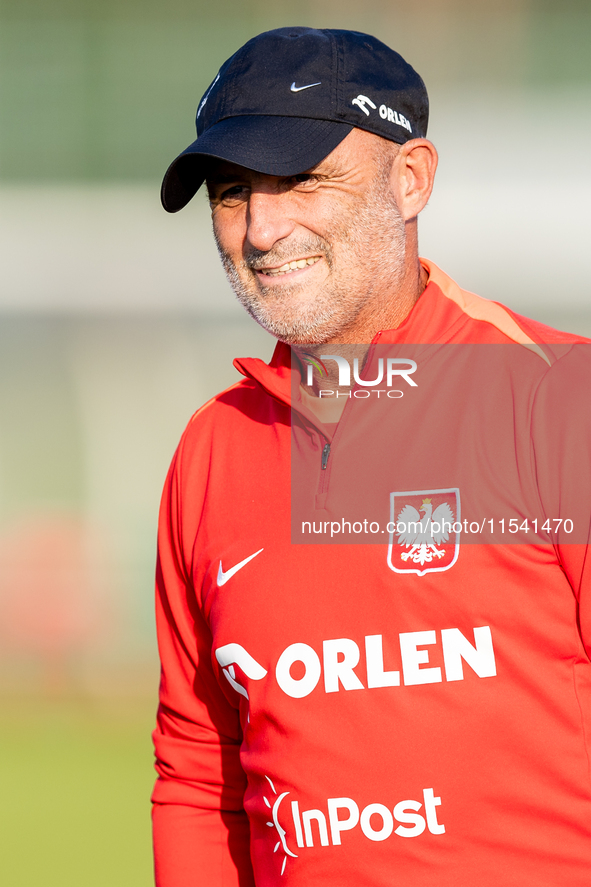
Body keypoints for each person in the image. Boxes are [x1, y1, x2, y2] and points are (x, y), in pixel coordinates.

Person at [152, 27, 591, 887]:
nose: (262, 229)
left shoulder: (556, 402)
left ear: (411, 177)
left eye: (303, 180)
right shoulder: (213, 447)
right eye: (234, 192)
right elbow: (200, 769)